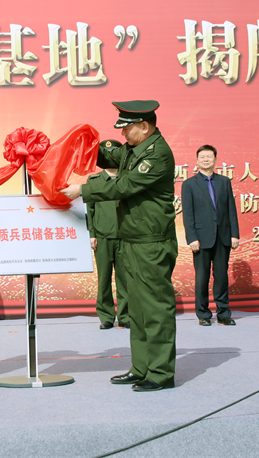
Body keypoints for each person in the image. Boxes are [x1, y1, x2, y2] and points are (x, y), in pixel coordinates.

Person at [61, 100, 178, 392]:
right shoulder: (131, 150)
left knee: (155, 309)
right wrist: (73, 144)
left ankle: (160, 373)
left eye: (127, 128)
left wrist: (82, 190)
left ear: (144, 126)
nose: (123, 134)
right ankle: (141, 367)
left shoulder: (157, 154)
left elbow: (123, 186)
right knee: (136, 309)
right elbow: (104, 154)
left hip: (151, 243)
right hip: (131, 240)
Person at [181, 145, 240, 326]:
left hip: (223, 236)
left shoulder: (224, 181)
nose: (206, 159)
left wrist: (234, 234)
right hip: (201, 238)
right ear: (197, 160)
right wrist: (192, 238)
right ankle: (203, 314)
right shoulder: (189, 184)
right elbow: (188, 214)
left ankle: (223, 313)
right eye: (202, 157)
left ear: (215, 159)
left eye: (209, 156)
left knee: (221, 277)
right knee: (202, 278)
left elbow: (231, 209)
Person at [85, 140, 128, 330]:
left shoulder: (128, 179)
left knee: (125, 278)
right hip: (102, 236)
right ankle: (106, 316)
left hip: (126, 236)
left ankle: (126, 315)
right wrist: (92, 234)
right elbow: (90, 209)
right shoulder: (94, 181)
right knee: (104, 279)